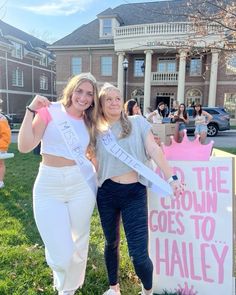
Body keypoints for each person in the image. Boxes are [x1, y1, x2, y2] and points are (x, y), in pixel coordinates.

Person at [94, 83, 183, 295]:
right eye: (109, 99)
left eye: (118, 98)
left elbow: (153, 149)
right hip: (106, 193)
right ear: (101, 104)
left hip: (134, 193)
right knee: (111, 242)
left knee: (139, 254)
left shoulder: (137, 122)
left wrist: (171, 177)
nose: (114, 102)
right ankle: (114, 288)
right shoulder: (96, 130)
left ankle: (147, 291)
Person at [18, 73, 98, 295]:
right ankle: (63, 274)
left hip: (80, 183)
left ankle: (68, 289)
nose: (83, 97)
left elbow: (96, 153)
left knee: (79, 241)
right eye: (79, 91)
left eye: (89, 94)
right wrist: (30, 110)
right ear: (71, 90)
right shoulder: (50, 110)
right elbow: (25, 146)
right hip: (49, 183)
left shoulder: (91, 122)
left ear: (93, 99)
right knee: (61, 251)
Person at [0, 113, 12, 188]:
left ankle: (0, 182)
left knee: (0, 164)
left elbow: (6, 136)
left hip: (0, 146)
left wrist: (2, 147)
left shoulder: (1, 118)